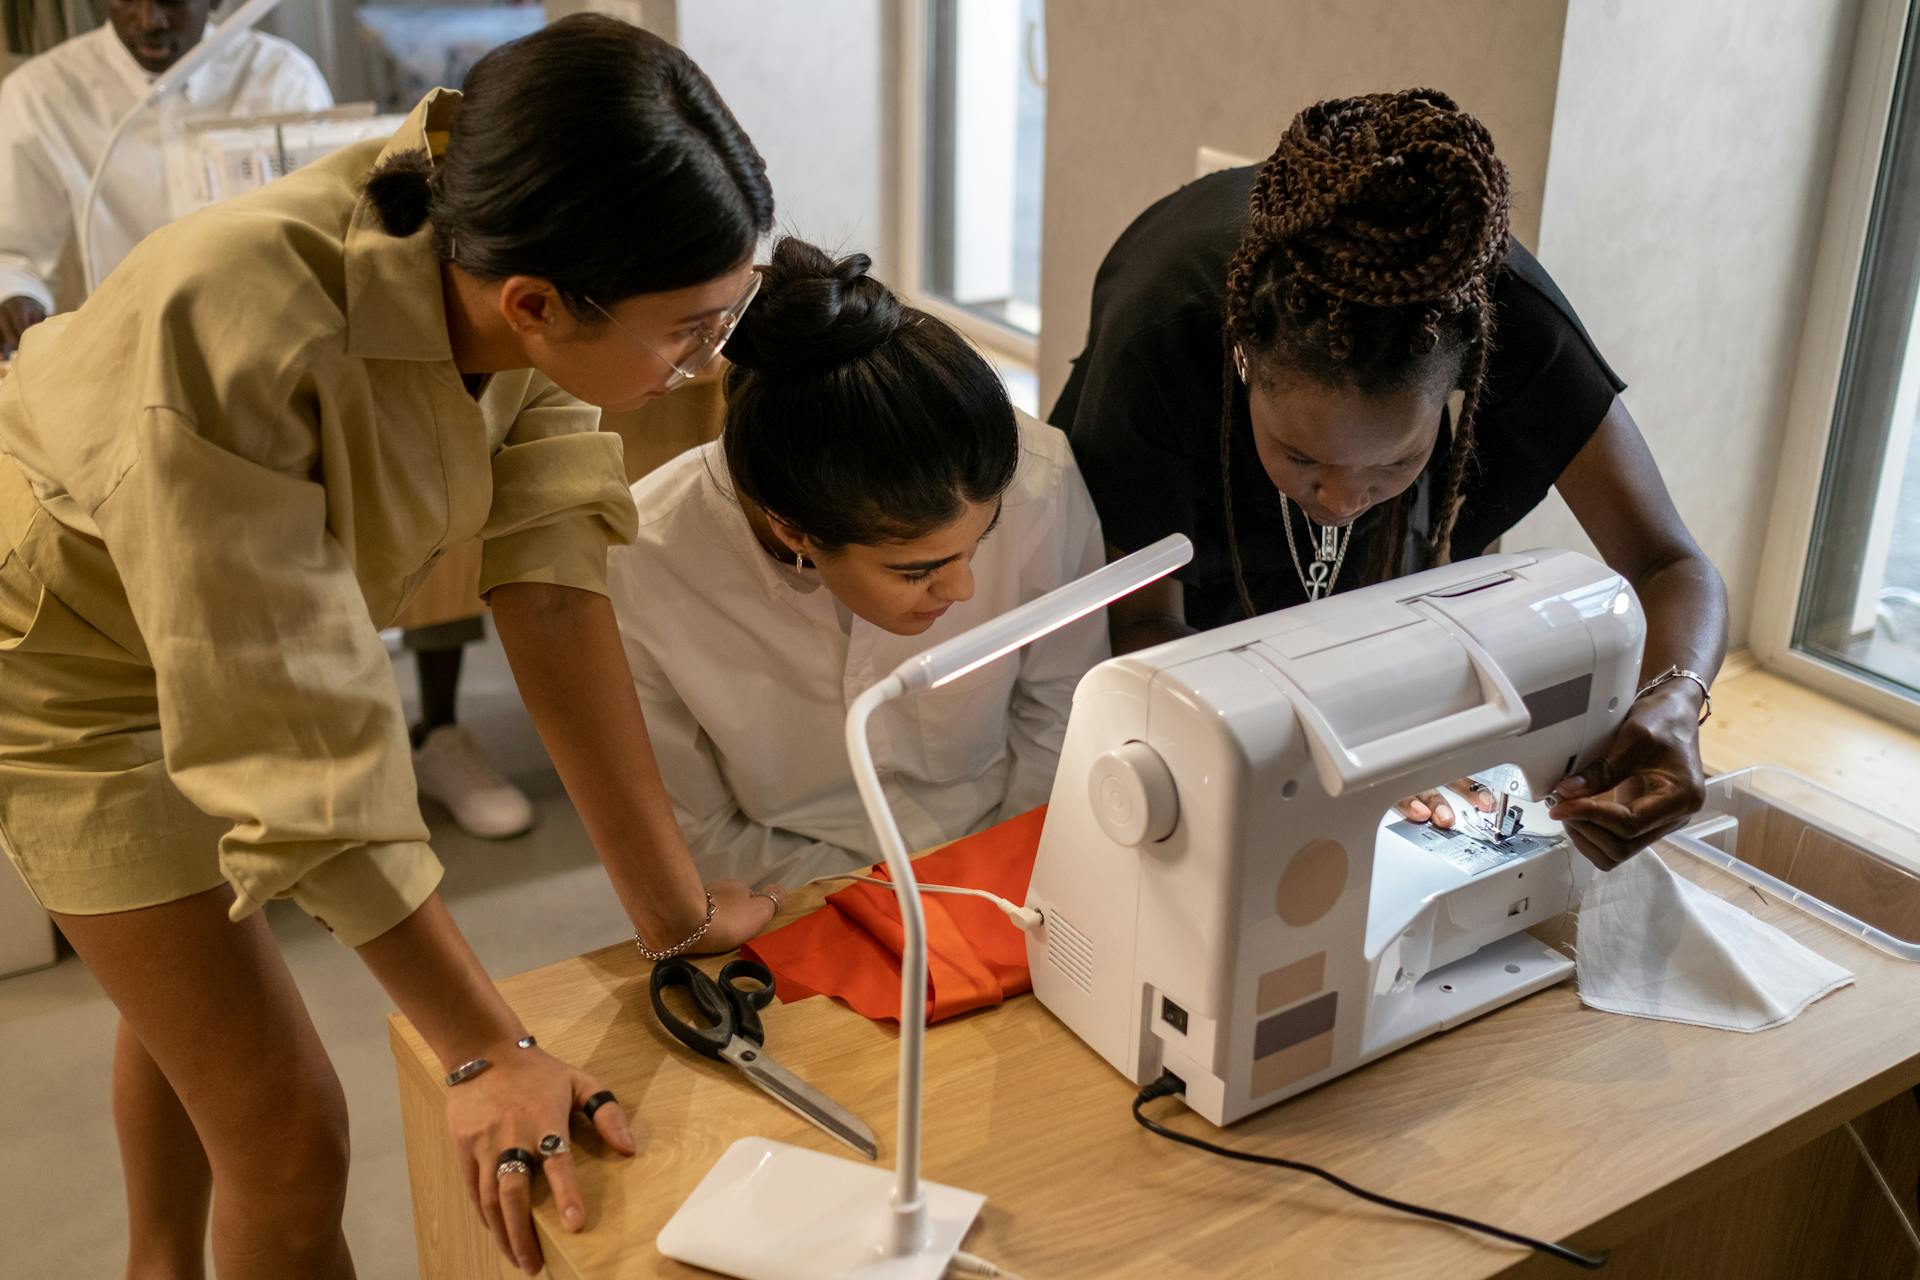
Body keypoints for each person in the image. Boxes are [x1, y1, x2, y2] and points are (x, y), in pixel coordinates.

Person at [0, 17, 780, 1277]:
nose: (706, 358)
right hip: (65, 659)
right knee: (293, 1139)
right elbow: (295, 743)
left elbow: (551, 583)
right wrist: (486, 1047)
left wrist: (671, 914)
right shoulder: (241, 318)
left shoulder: (526, 229)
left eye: (725, 318)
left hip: (194, 612)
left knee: (199, 991)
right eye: (689, 330)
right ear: (535, 305)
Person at [1051, 89, 1728, 871]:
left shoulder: (1508, 320)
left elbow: (1669, 564)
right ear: (1242, 361)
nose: (1342, 502)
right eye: (1302, 458)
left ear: (1463, 382)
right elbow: (1142, 636)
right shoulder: (1161, 344)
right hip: (1186, 592)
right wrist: (1329, 748)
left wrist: (1676, 698)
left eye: (1396, 462)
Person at [608, 238, 1107, 887]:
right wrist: (877, 902)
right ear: (796, 530)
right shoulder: (646, 564)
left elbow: (1064, 709)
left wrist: (996, 881)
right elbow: (695, 833)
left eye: (981, 543)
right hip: (795, 892)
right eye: (916, 571)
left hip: (1013, 860)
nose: (963, 587)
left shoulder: (1035, 479)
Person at [0, 0, 332, 354]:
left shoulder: (281, 79)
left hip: (262, 353)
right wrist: (16, 295)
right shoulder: (39, 95)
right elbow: (15, 254)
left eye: (171, 0)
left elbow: (327, 235)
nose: (149, 21)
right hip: (113, 357)